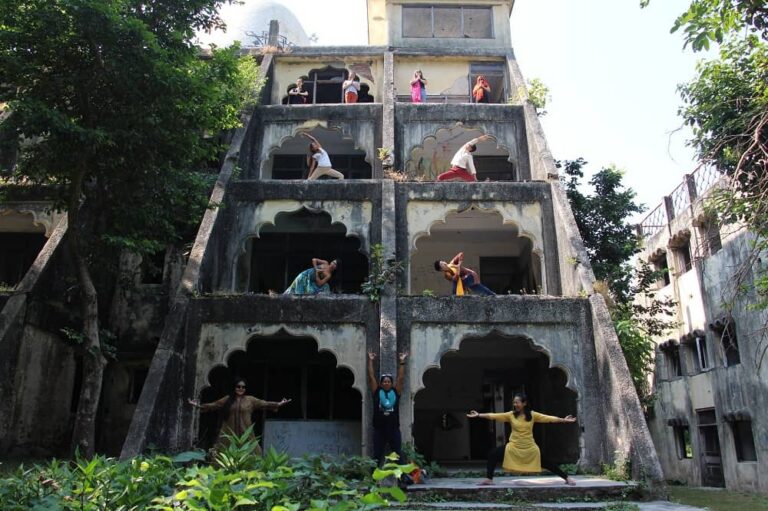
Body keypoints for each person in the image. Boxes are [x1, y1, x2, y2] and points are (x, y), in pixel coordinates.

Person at [467, 393, 577, 486]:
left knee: (547, 463)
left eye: (517, 402)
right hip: (513, 446)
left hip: (529, 447)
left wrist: (563, 420)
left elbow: (547, 418)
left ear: (524, 403)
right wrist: (478, 415)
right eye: (514, 402)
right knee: (493, 454)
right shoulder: (511, 415)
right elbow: (494, 416)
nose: (515, 405)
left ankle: (567, 478)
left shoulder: (533, 415)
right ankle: (489, 479)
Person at [188, 378, 291, 455]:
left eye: (243, 387)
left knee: (252, 451)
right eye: (238, 386)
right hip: (229, 430)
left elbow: (264, 403)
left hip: (245, 430)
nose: (241, 389)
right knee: (223, 451)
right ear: (234, 387)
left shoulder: (250, 400)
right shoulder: (227, 399)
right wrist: (197, 405)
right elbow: (214, 405)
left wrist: (278, 404)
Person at [368, 350, 408, 466]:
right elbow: (371, 377)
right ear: (381, 384)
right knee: (376, 455)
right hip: (379, 430)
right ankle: (372, 481)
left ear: (391, 383)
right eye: (384, 382)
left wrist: (402, 362)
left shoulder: (395, 392)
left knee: (398, 455)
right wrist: (370, 360)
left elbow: (400, 379)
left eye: (388, 381)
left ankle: (402, 481)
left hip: (393, 429)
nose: (386, 383)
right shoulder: (377, 392)